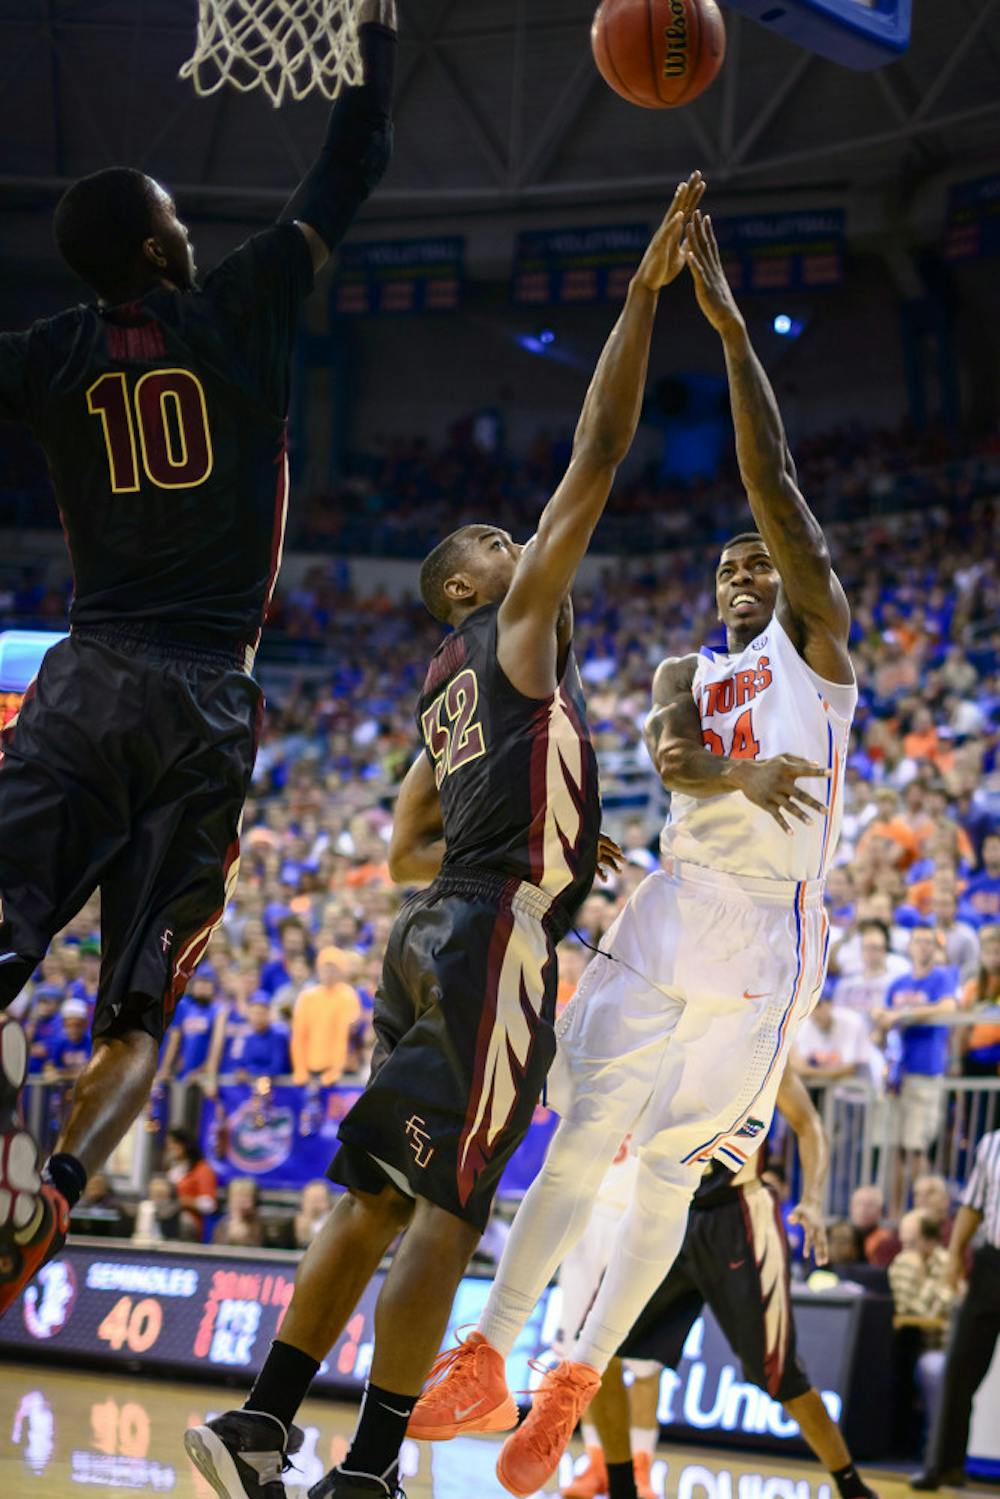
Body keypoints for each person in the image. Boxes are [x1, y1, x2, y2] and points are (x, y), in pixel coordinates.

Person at [183, 175, 706, 1499]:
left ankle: (261, 1421)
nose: (524, 540)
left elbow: (408, 824)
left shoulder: (439, 680)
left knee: (368, 1190)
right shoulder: (514, 630)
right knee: (445, 1207)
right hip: (487, 939)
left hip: (436, 930)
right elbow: (595, 455)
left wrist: (488, 873)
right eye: (498, 539)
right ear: (472, 584)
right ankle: (364, 1470)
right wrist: (641, 301)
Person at [409, 205, 857, 1499]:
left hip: (771, 919)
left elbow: (772, 475)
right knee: (594, 1138)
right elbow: (669, 754)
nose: (737, 568)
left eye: (754, 558)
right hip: (678, 901)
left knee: (660, 1166)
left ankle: (564, 1378)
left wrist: (724, 327)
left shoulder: (815, 649)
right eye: (722, 561)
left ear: (787, 573)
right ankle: (497, 1355)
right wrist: (738, 770)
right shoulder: (682, 668)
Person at [0, 0, 397, 1315]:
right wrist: (373, 39)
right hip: (206, 698)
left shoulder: (53, 355)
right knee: (138, 1021)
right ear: (160, 239)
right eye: (174, 210)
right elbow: (354, 160)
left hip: (87, 673)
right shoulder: (241, 305)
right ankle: (49, 1193)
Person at [576, 1071, 879, 1499]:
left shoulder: (766, 1045)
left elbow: (808, 1123)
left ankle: (853, 1488)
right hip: (667, 1209)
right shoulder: (670, 1032)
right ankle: (622, 1486)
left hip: (737, 1217)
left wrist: (811, 1198)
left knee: (780, 1378)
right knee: (592, 1349)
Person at [911, 1129, 1000, 1489]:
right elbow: (973, 1205)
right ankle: (945, 1466)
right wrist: (953, 1257)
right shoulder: (992, 1143)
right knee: (960, 1366)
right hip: (992, 1263)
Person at [875, 926, 958, 1212]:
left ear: (935, 949)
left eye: (928, 942)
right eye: (918, 941)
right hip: (897, 1075)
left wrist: (904, 1014)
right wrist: (880, 1024)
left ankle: (925, 1213)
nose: (923, 947)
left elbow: (948, 1008)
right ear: (909, 947)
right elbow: (883, 1027)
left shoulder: (942, 977)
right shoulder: (897, 984)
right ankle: (896, 1216)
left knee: (917, 1148)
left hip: (926, 1073)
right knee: (895, 1149)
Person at [290, 947, 362, 1086]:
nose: (329, 974)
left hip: (340, 1075)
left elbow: (344, 1035)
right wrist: (300, 1069)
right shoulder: (307, 997)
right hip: (310, 1071)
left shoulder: (348, 995)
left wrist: (335, 1071)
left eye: (334, 969)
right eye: (325, 969)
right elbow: (299, 1036)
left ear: (341, 971)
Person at [791, 993, 873, 1084]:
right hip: (821, 1084)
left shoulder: (852, 1021)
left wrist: (811, 1072)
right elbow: (799, 1067)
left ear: (830, 1004)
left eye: (817, 1005)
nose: (813, 1011)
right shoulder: (804, 1026)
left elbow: (850, 1070)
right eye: (808, 1006)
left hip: (857, 1081)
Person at [164, 1127, 218, 1240]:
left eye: (173, 1143)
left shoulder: (202, 1169)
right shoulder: (173, 1169)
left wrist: (187, 1202)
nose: (170, 1148)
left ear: (184, 1145)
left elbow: (209, 1204)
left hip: (188, 1222)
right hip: (168, 1216)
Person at [213, 1177, 265, 1249]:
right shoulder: (223, 1224)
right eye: (237, 1197)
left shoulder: (260, 1225)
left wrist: (245, 1236)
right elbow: (216, 1250)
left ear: (254, 1201)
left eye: (245, 1197)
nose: (241, 1201)